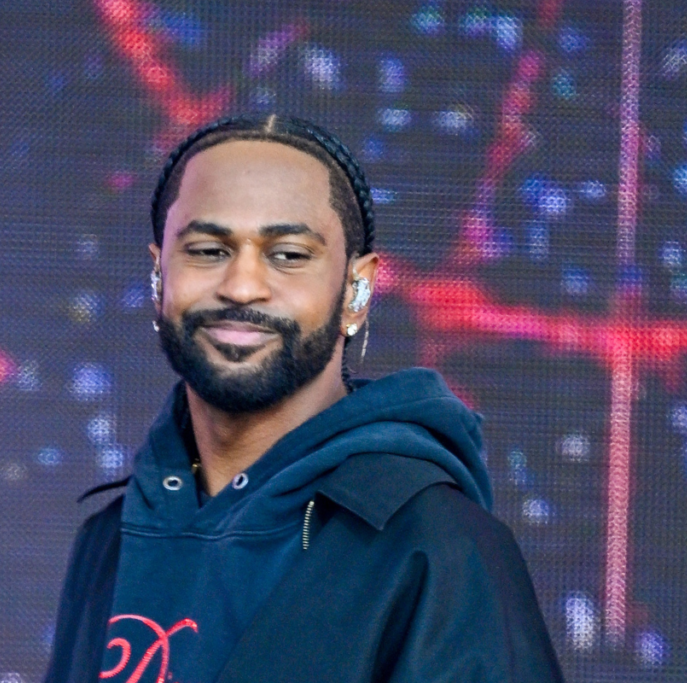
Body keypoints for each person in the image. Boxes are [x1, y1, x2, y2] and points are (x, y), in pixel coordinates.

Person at [44, 114, 564, 683]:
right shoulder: (109, 541)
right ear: (158, 275)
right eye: (208, 250)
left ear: (357, 291)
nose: (242, 286)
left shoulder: (441, 548)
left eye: (288, 255)